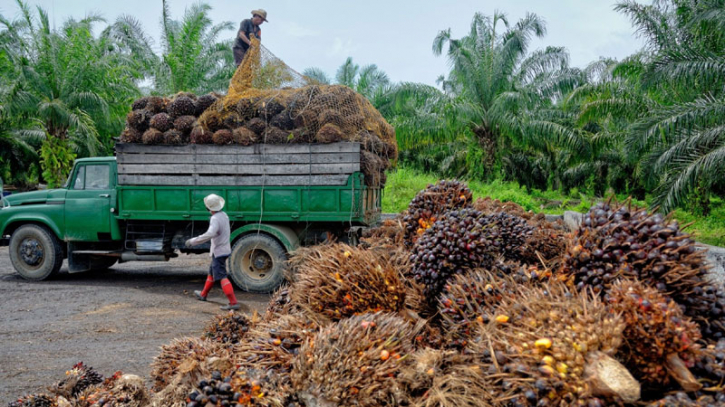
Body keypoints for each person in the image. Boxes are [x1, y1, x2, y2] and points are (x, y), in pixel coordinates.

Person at [186, 194, 240, 311]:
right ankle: (203, 294)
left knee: (221, 276)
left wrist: (193, 241)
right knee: (211, 272)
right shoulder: (224, 215)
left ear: (208, 208)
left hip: (219, 251)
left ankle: (233, 302)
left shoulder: (215, 219)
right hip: (224, 249)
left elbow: (210, 234)